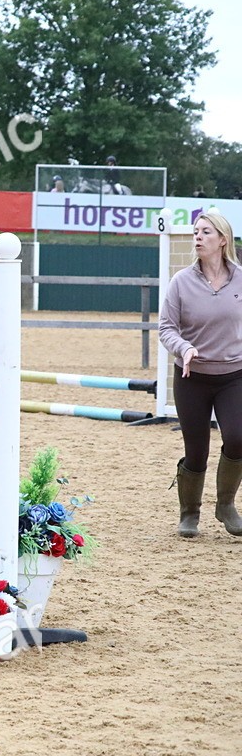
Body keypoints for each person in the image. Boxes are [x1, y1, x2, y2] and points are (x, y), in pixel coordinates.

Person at [159, 211, 242, 539]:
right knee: (197, 450)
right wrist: (184, 348)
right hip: (191, 376)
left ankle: (226, 505)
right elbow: (166, 328)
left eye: (205, 232)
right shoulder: (181, 281)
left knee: (238, 437)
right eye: (195, 232)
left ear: (222, 240)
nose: (197, 237)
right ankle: (189, 513)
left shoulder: (240, 278)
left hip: (234, 374)